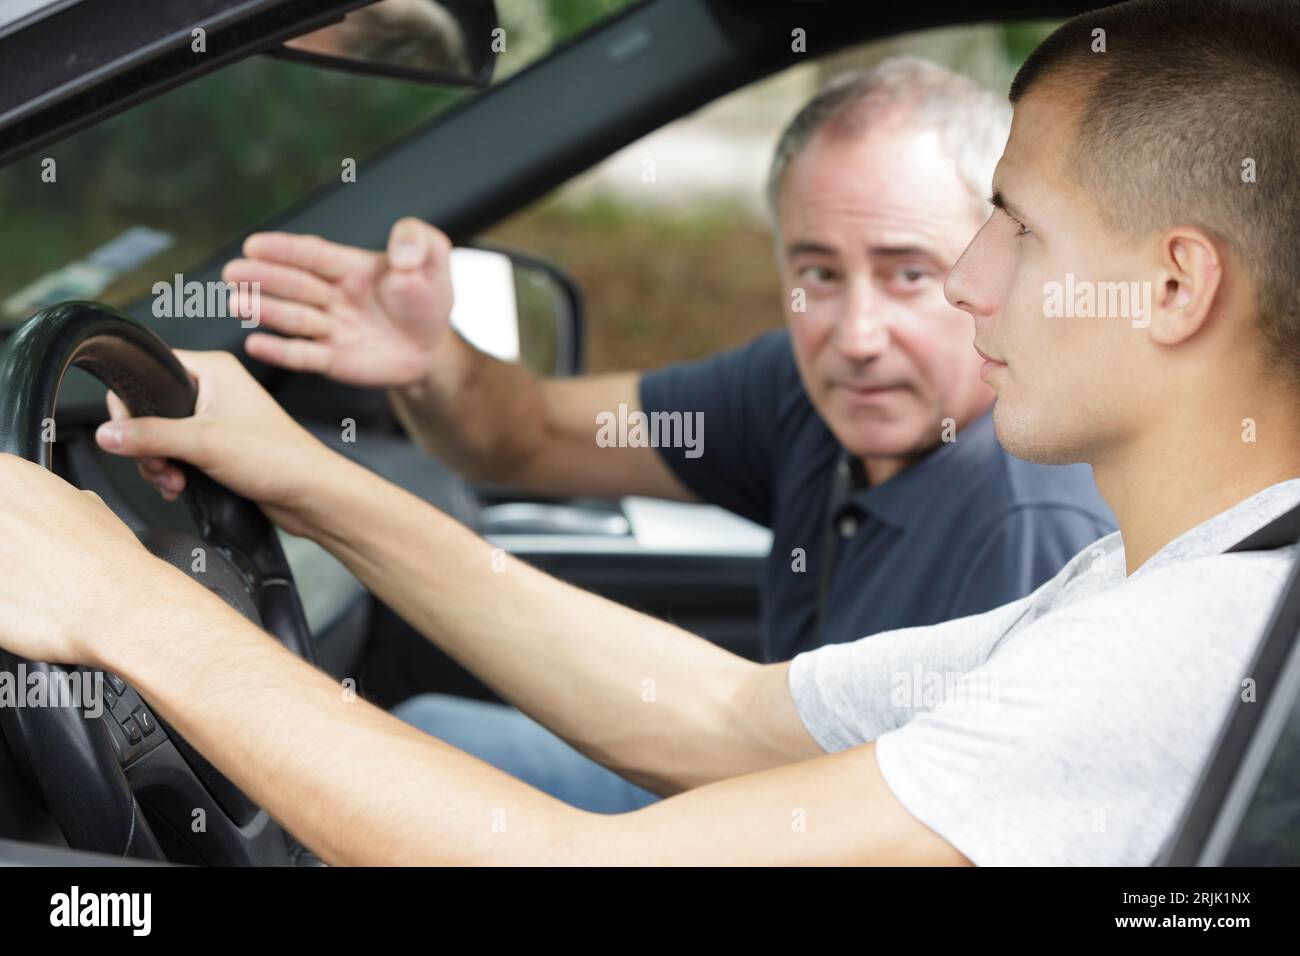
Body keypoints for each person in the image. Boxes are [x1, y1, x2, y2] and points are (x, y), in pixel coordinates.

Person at [1, 0, 1294, 864]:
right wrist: (306, 480)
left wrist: (130, 606)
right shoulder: (1164, 583)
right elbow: (724, 716)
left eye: (1016, 226)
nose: (968, 280)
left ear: (1174, 285)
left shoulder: (1180, 654)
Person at [214, 57, 1113, 812]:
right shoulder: (805, 390)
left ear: (994, 266)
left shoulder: (1032, 526)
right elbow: (525, 436)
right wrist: (429, 360)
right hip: (777, 789)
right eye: (819, 273)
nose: (857, 334)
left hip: (836, 828)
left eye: (909, 272)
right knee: (427, 738)